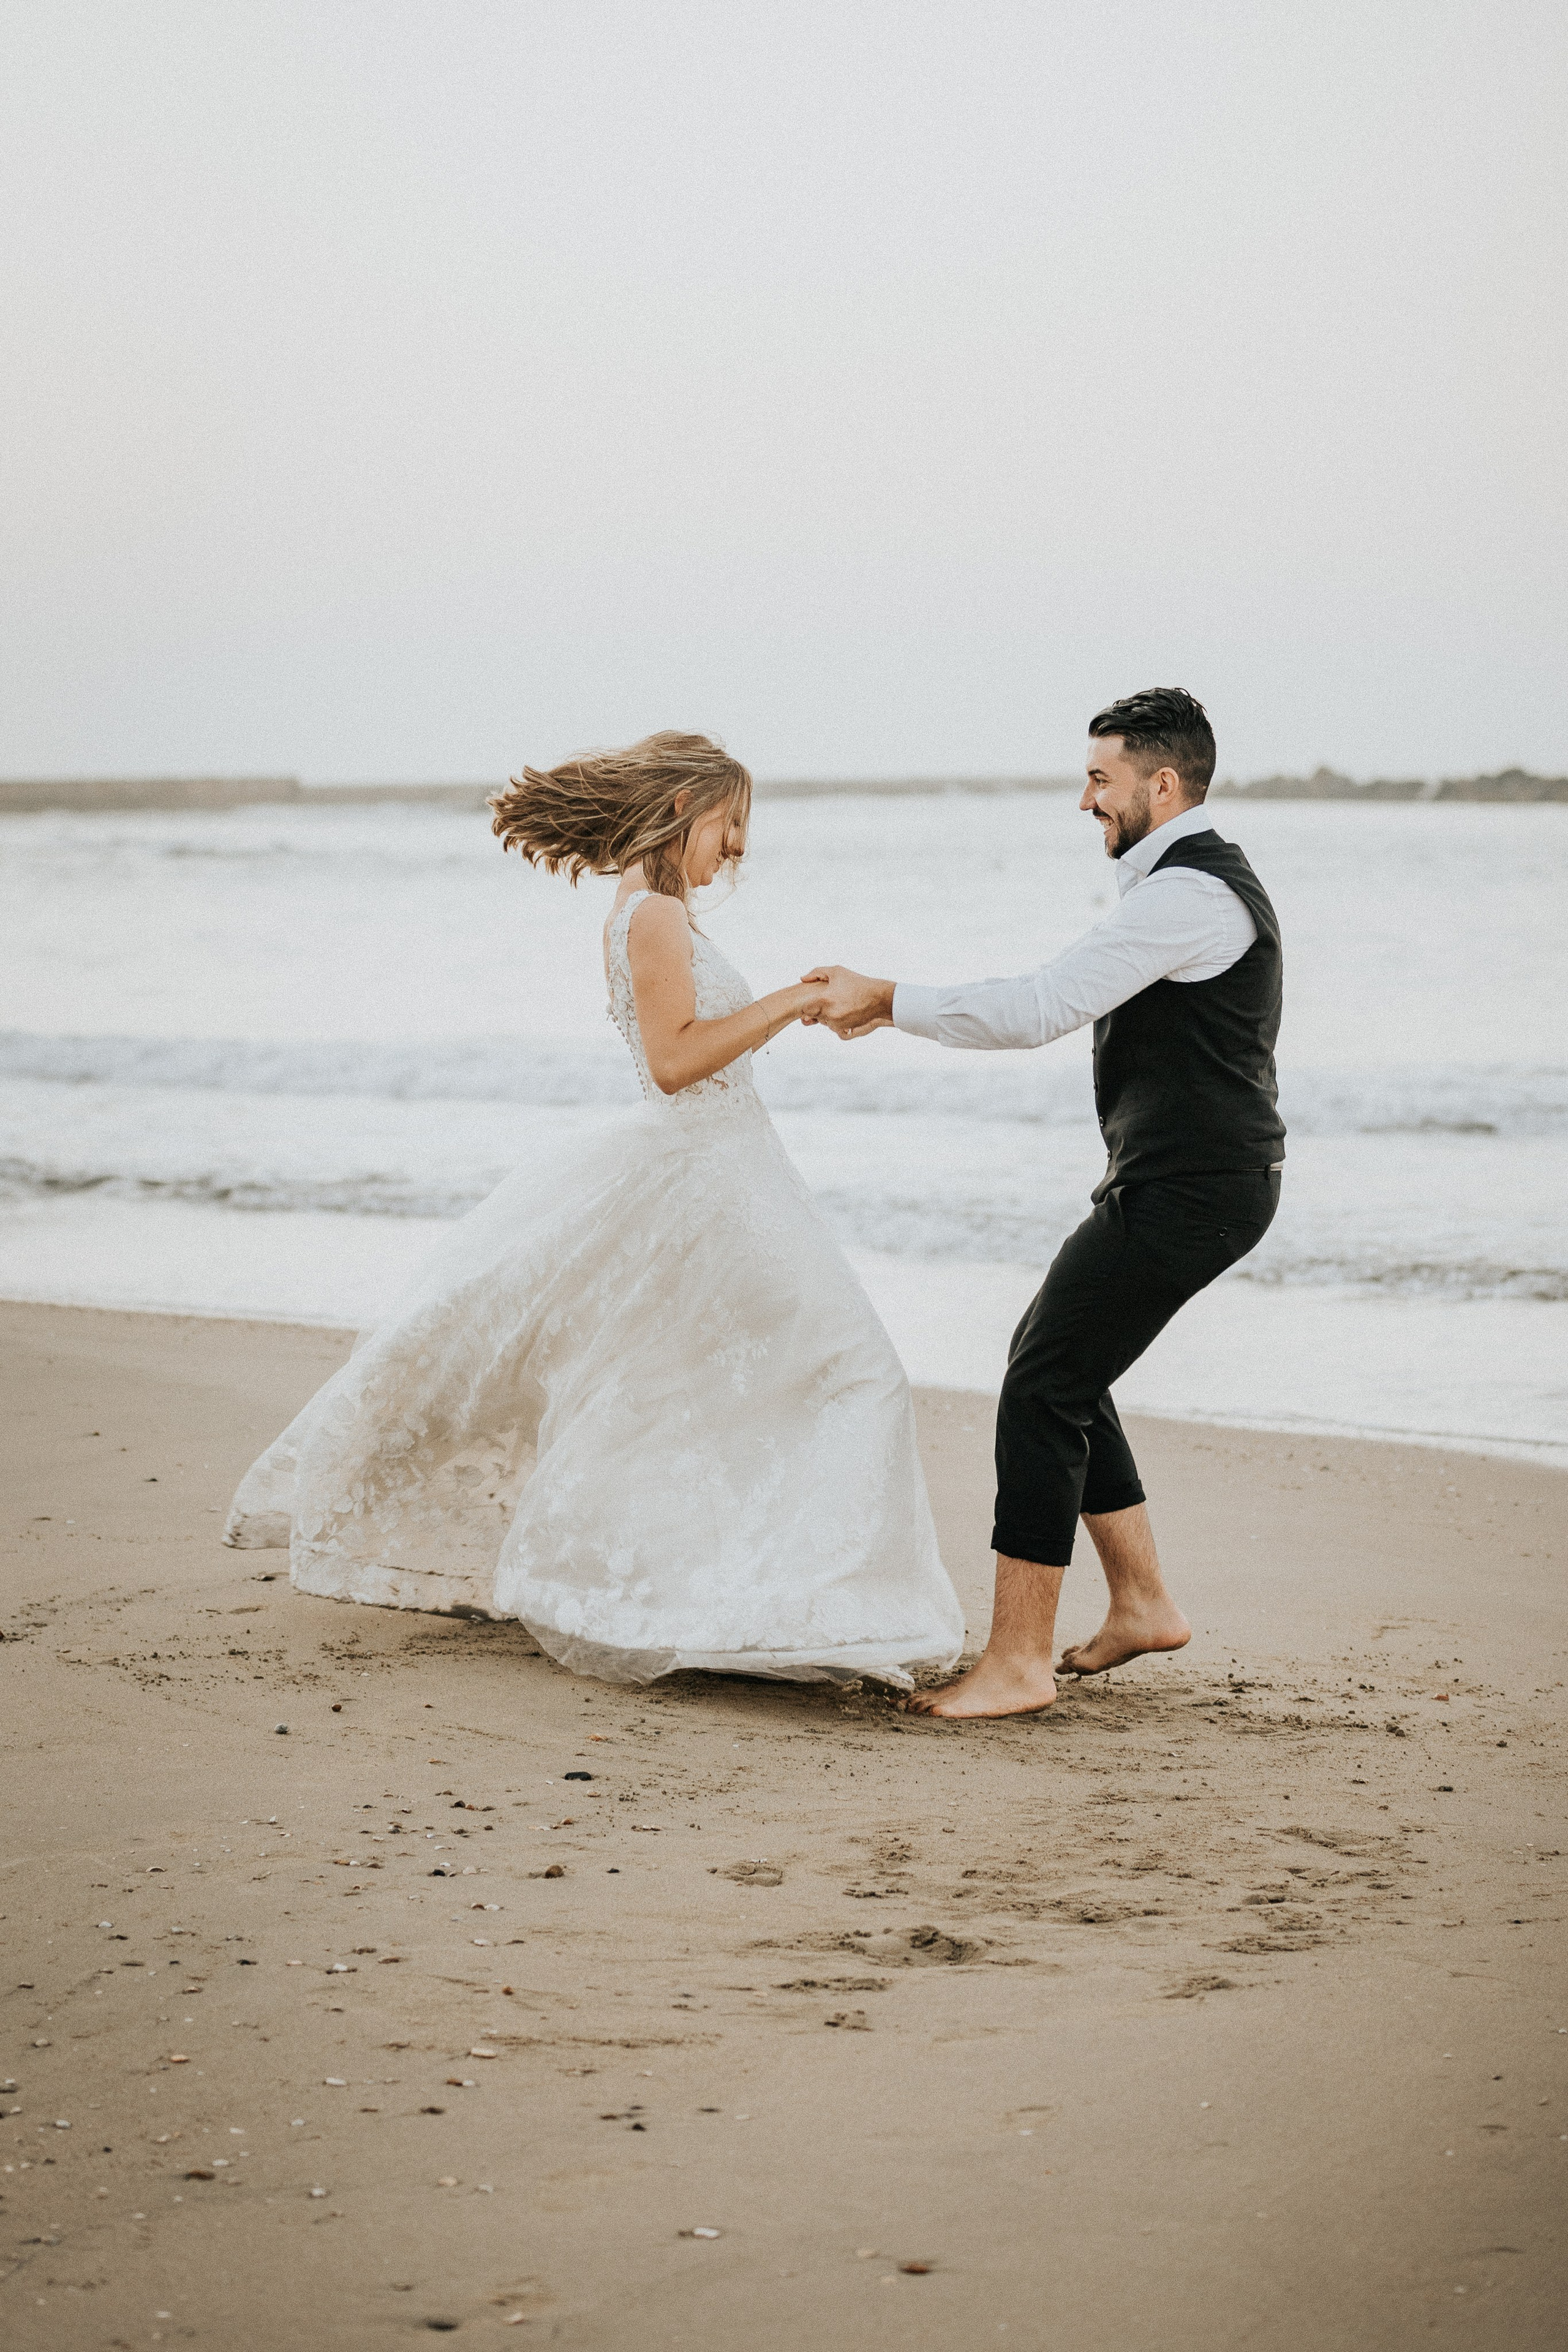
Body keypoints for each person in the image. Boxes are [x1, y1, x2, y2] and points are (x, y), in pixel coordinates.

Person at [225, 730, 964, 1690]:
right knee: (855, 1370)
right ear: (679, 814)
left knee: (749, 1386)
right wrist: (792, 1000)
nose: (737, 848)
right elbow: (673, 1063)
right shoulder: (652, 914)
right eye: (728, 826)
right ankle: (812, 1606)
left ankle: (783, 1601)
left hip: (733, 1179)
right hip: (711, 1184)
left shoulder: (658, 911)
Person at [802, 688, 1284, 1719]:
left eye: (1100, 780)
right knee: (1061, 1364)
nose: (1085, 801)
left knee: (1043, 1385)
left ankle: (1019, 1662)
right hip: (1181, 1181)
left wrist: (888, 1000)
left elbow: (1038, 1010)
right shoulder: (1179, 886)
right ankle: (1143, 1601)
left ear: (1163, 783)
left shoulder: (1189, 898)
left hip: (1195, 1189)